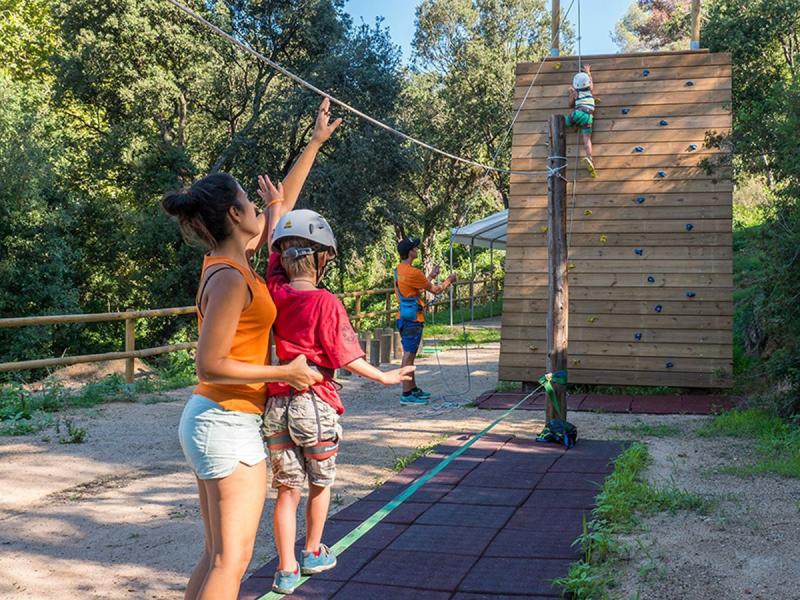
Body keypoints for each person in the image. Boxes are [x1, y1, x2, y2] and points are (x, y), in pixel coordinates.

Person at [163, 98, 340, 600]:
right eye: (250, 201)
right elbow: (210, 363)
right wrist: (284, 370)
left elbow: (281, 208)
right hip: (224, 420)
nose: (262, 207)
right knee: (231, 562)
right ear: (237, 215)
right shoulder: (228, 278)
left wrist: (315, 143)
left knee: (217, 556)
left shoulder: (235, 263)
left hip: (220, 420)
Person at [260, 204, 415, 594]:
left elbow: (274, 258)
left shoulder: (274, 292)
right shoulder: (327, 303)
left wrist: (275, 213)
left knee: (286, 489)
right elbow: (348, 356)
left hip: (278, 404)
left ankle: (286, 569)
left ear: (286, 255)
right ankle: (312, 551)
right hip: (314, 402)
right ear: (323, 258)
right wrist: (384, 375)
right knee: (320, 482)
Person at [394, 238, 456, 405]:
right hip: (413, 319)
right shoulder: (414, 272)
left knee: (410, 355)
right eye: (415, 248)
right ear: (410, 252)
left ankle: (412, 388)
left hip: (403, 317)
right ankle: (406, 393)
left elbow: (415, 288)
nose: (417, 250)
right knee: (409, 356)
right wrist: (449, 281)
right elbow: (435, 290)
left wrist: (430, 276)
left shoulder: (399, 270)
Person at [565, 64, 597, 178]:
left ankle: (560, 131)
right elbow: (591, 82)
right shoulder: (589, 90)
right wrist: (588, 72)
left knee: (565, 122)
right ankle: (590, 157)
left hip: (579, 113)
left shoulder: (576, 93)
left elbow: (570, 105)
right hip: (588, 117)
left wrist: (571, 94)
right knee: (587, 140)